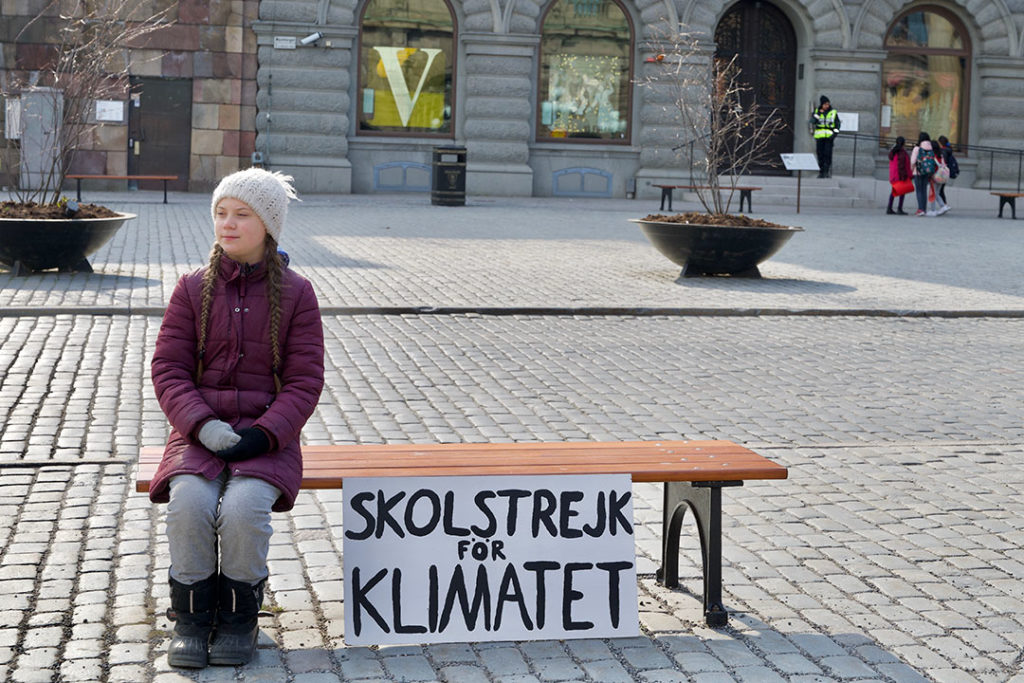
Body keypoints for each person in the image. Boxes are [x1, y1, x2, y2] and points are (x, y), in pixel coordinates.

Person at [148, 168, 325, 668]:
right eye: (221, 213)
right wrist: (202, 426)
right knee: (189, 504)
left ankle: (238, 619)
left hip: (267, 441)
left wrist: (264, 435)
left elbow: (305, 381)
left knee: (244, 510)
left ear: (268, 225)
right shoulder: (192, 288)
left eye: (241, 214)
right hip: (197, 435)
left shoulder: (297, 293)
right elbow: (169, 368)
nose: (227, 223)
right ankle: (191, 618)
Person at [811, 95, 840, 178]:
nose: (827, 106)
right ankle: (821, 171)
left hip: (829, 137)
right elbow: (812, 121)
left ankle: (826, 171)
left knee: (827, 154)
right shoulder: (817, 111)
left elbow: (837, 124)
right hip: (819, 137)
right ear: (822, 105)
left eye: (828, 104)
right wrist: (819, 113)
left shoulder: (833, 112)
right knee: (820, 154)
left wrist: (834, 134)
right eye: (825, 104)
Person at [887, 136, 911, 215]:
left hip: (893, 174)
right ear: (903, 143)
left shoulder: (893, 151)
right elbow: (903, 165)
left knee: (894, 191)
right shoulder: (902, 152)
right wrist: (907, 175)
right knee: (902, 192)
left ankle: (889, 208)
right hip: (900, 174)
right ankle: (899, 208)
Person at [936, 135, 959, 207]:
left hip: (942, 172)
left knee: (939, 190)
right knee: (941, 189)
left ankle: (944, 205)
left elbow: (943, 162)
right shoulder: (948, 150)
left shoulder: (943, 151)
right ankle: (944, 204)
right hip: (946, 172)